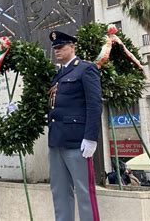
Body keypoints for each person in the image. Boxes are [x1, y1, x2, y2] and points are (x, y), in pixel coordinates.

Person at [48, 31, 103, 221]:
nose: (57, 51)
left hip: (77, 141)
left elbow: (95, 105)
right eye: (55, 48)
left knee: (84, 192)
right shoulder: (58, 74)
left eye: (61, 47)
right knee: (59, 192)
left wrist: (90, 138)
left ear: (72, 47)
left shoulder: (86, 69)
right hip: (57, 140)